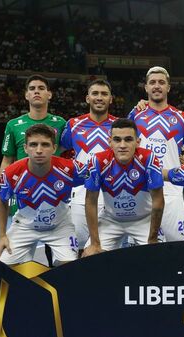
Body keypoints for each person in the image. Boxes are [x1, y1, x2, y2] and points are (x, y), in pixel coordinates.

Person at [0, 74, 66, 266]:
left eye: (41, 88)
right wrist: (2, 188)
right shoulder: (13, 125)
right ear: (26, 95)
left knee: (57, 248)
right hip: (24, 195)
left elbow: (67, 156)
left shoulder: (61, 124)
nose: (37, 91)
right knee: (19, 251)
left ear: (49, 94)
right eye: (32, 88)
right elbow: (7, 159)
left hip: (54, 193)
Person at [0, 124, 85, 265]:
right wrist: (2, 235)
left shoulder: (70, 168)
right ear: (25, 148)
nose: (39, 150)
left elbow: (97, 178)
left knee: (70, 270)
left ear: (54, 148)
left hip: (60, 226)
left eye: (45, 145)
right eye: (33, 144)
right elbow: (0, 202)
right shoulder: (11, 173)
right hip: (24, 227)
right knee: (4, 269)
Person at [127, 66, 184, 241]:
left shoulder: (181, 117)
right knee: (141, 246)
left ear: (168, 87)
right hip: (139, 188)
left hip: (171, 190)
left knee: (175, 242)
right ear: (146, 88)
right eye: (152, 82)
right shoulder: (135, 114)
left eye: (161, 82)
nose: (157, 86)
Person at [82, 119, 164, 256]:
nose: (122, 145)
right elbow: (90, 202)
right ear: (110, 142)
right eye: (117, 140)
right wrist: (95, 243)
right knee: (88, 257)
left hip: (144, 219)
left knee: (157, 256)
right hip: (111, 219)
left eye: (128, 139)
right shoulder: (97, 161)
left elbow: (158, 202)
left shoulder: (149, 159)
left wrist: (153, 239)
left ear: (138, 142)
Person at [59, 79, 117, 252]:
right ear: (87, 98)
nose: (99, 97)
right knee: (79, 247)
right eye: (95, 93)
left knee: (108, 250)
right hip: (81, 194)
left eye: (104, 94)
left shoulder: (119, 125)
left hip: (112, 193)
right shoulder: (73, 125)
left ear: (111, 99)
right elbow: (58, 151)